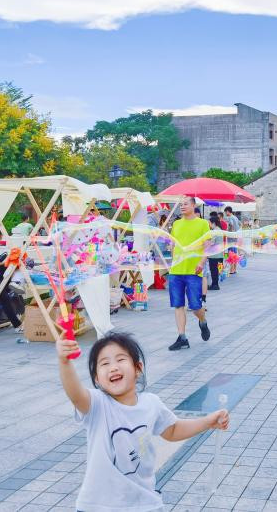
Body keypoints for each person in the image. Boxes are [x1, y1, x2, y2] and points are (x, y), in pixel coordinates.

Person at [55, 331, 228, 512]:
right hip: (98, 505)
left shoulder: (151, 403)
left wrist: (208, 421)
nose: (113, 367)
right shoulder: (97, 404)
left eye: (120, 360)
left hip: (144, 503)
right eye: (104, 363)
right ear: (97, 379)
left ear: (138, 368)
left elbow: (174, 429)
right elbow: (75, 394)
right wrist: (64, 362)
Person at [167, 197, 211, 351]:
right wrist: (173, 260)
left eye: (185, 204)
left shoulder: (203, 224)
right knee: (178, 305)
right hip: (176, 271)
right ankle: (182, 337)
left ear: (194, 205)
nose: (182, 206)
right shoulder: (177, 224)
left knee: (195, 306)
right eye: (181, 204)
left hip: (193, 271)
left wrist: (201, 262)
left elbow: (207, 247)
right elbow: (173, 244)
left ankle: (203, 321)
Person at [206, 212, 226, 291]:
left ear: (213, 223)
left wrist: (206, 243)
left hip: (214, 255)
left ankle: (215, 285)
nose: (209, 225)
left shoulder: (214, 231)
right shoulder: (220, 230)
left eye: (209, 223)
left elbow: (212, 243)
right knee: (218, 269)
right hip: (220, 254)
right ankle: (216, 283)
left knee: (213, 270)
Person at [223, 206, 242, 276]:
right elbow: (240, 224)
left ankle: (231, 270)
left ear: (228, 211)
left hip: (231, 238)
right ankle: (234, 269)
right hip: (235, 238)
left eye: (225, 212)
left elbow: (230, 226)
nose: (225, 213)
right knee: (234, 253)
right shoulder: (235, 217)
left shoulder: (230, 218)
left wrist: (228, 230)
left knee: (230, 254)